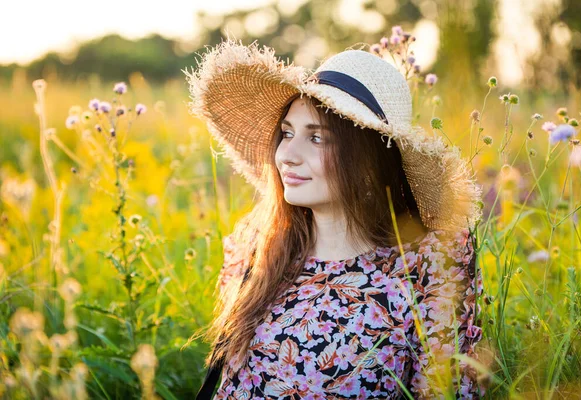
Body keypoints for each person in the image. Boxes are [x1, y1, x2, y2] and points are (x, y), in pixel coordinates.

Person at [185, 37, 486, 399]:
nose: (287, 156)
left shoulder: (427, 269)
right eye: (287, 133)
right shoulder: (257, 248)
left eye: (317, 138)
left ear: (368, 163)